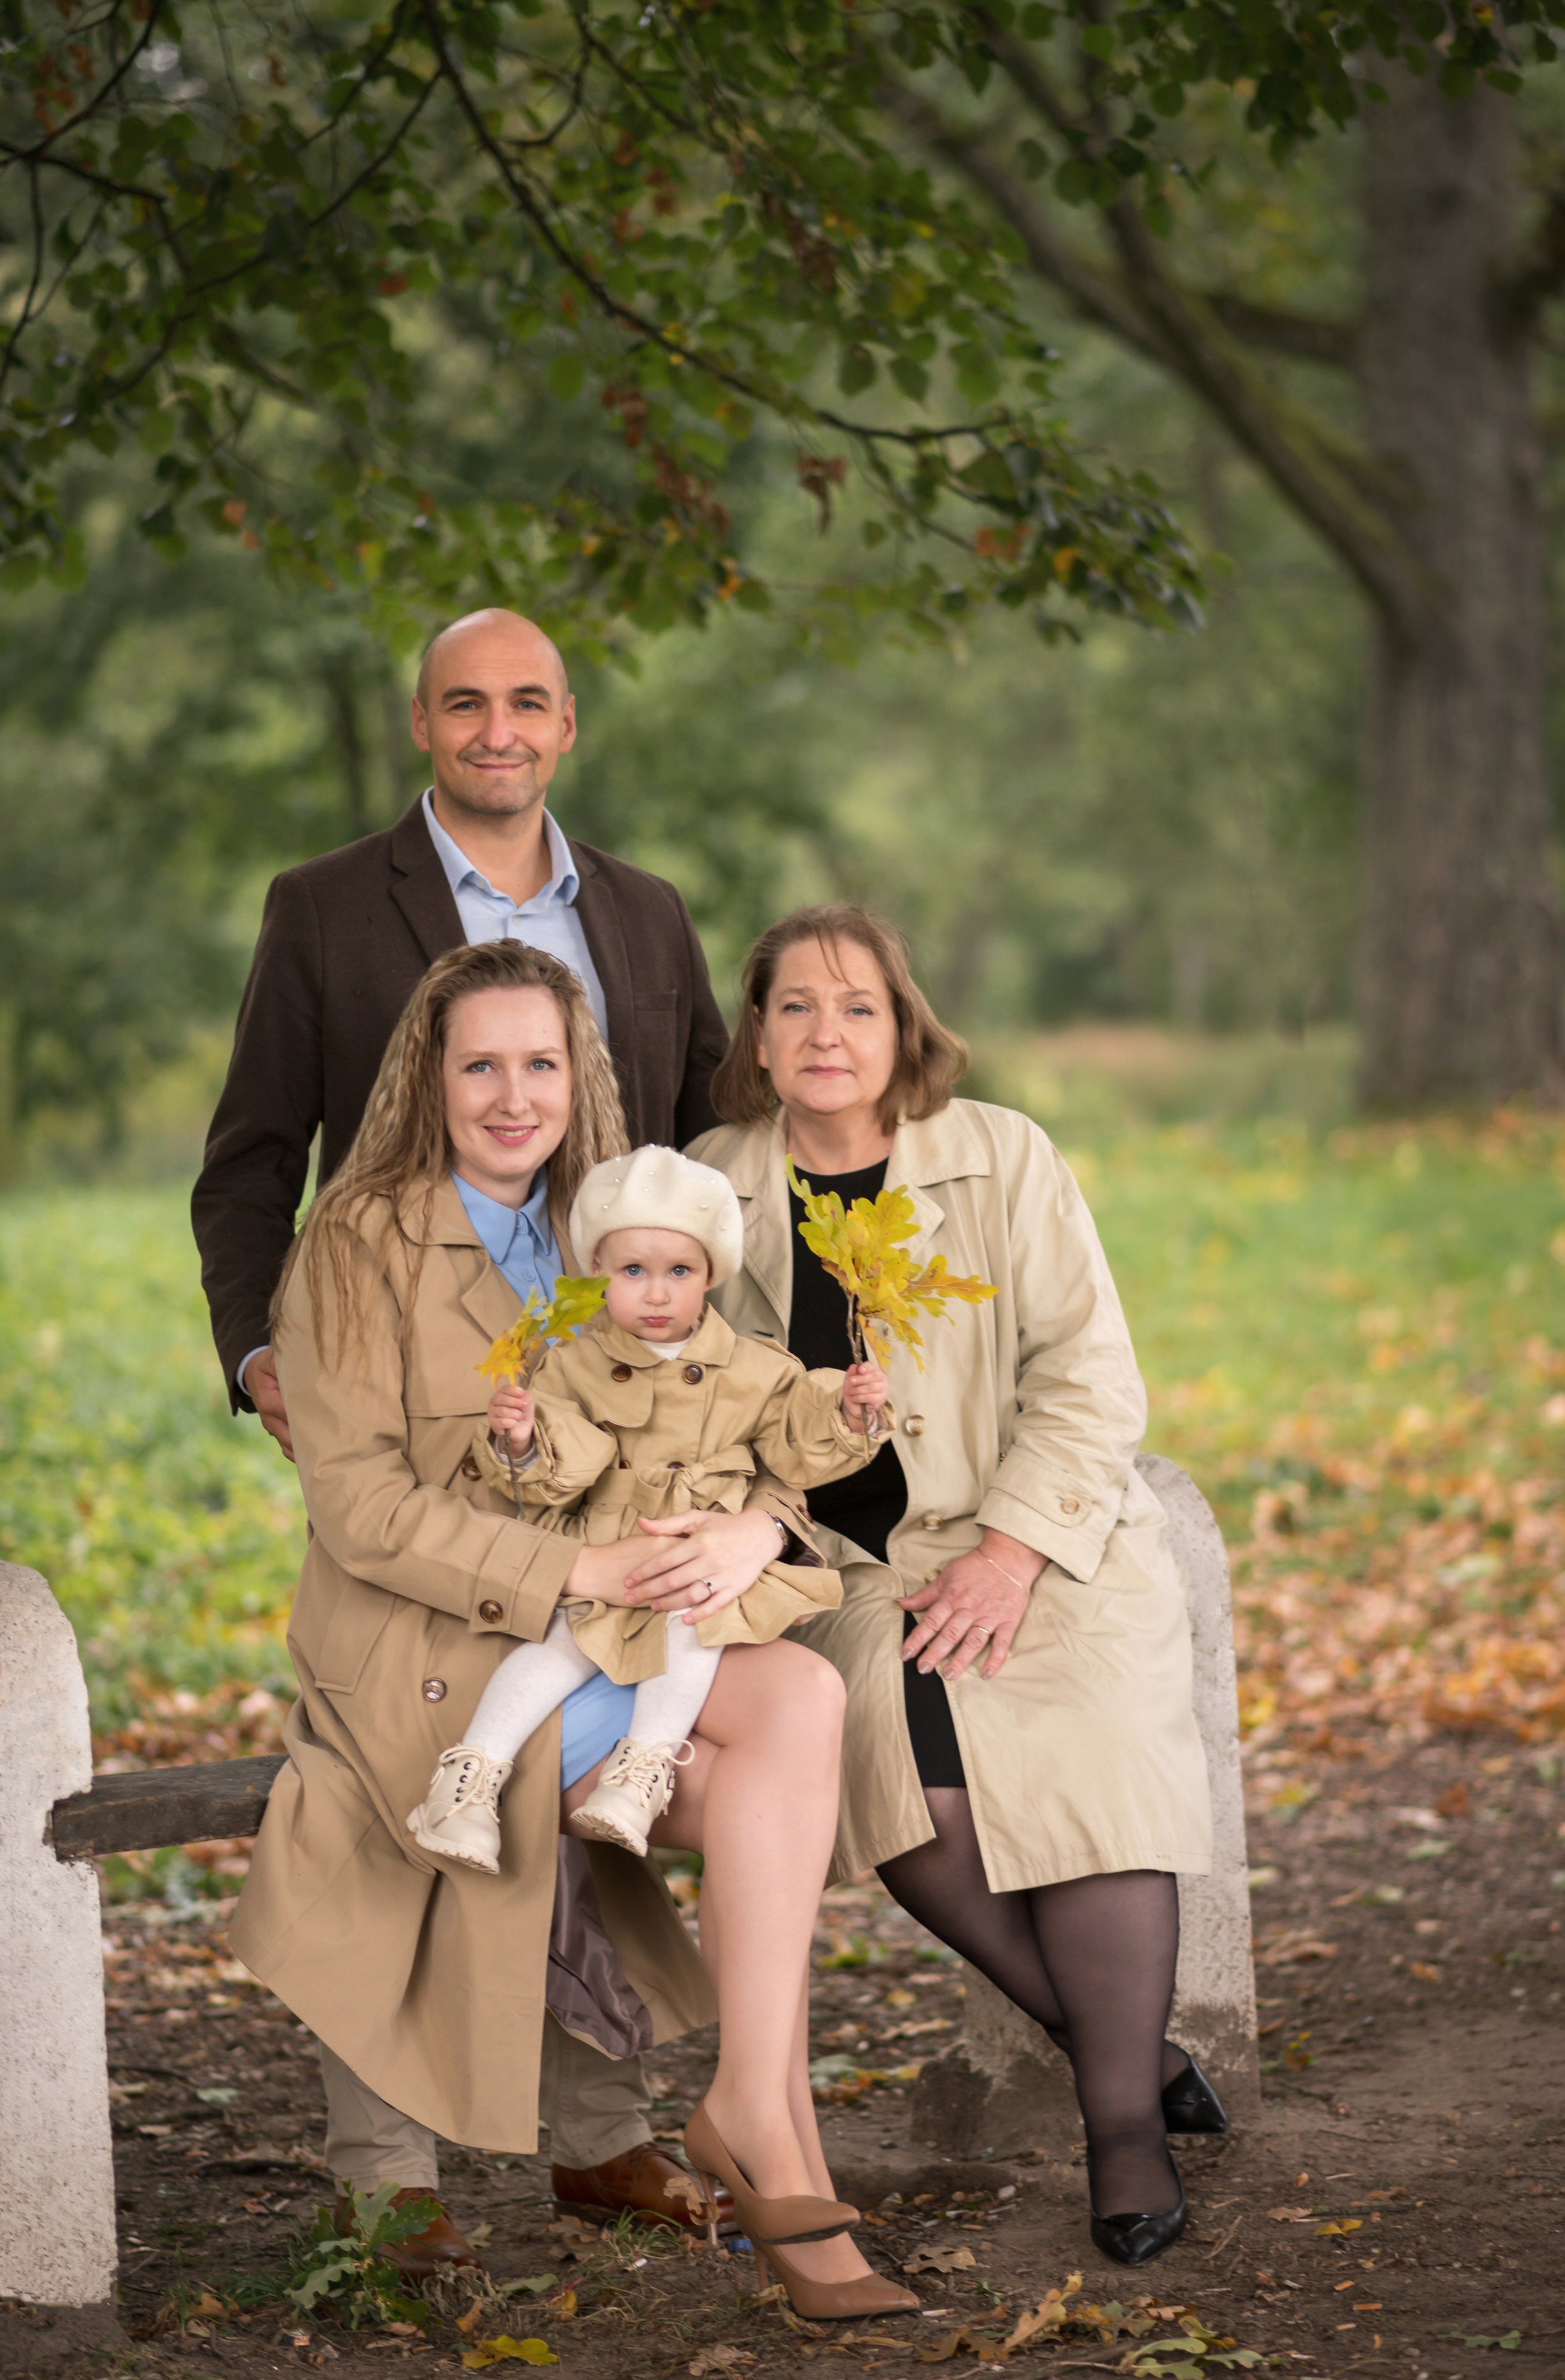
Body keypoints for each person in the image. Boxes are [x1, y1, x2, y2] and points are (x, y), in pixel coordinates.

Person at [232, 938, 916, 2322]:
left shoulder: (622, 1221)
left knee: (799, 1701)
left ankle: (753, 2103)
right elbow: (361, 1509)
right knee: (769, 1749)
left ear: (578, 1072)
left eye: (539, 1062)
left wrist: (759, 1525)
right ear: (427, 1076)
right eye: (479, 1064)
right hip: (436, 1637)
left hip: (628, 1616)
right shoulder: (356, 1244)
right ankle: (766, 2130)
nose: (511, 1095)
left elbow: (736, 1412)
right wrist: (580, 1562)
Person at [192, 609, 740, 2245]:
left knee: (742, 1714)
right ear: (423, 724)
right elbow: (249, 1155)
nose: (497, 729)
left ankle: (657, 2125)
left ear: (566, 725)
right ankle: (405, 2176)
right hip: (407, 1462)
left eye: (527, 702)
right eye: (464, 702)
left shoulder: (642, 916)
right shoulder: (323, 918)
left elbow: (711, 1148)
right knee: (409, 1765)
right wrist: (262, 1355)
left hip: (582, 1495)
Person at [692, 905, 1222, 2270]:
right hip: (835, 1565)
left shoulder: (1001, 1153)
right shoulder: (708, 1187)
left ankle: (1124, 2125)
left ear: (901, 1028)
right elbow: (684, 1402)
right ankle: (1130, 2047)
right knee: (904, 1786)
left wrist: (1011, 1549)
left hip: (1032, 1533)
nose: (826, 1032)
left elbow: (1088, 1373)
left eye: (857, 1005)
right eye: (795, 1006)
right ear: (757, 1036)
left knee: (1093, 1754)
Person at [407, 1142, 892, 1870]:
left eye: (679, 1272)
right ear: (597, 1271)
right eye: (632, 1271)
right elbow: (560, 1471)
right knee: (557, 1651)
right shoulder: (570, 1364)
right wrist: (522, 1438)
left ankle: (638, 1774)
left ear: (711, 1274)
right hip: (610, 1549)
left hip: (697, 1556)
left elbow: (796, 1447)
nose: (657, 1294)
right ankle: (467, 1784)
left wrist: (849, 1413)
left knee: (695, 1626)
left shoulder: (757, 1368)